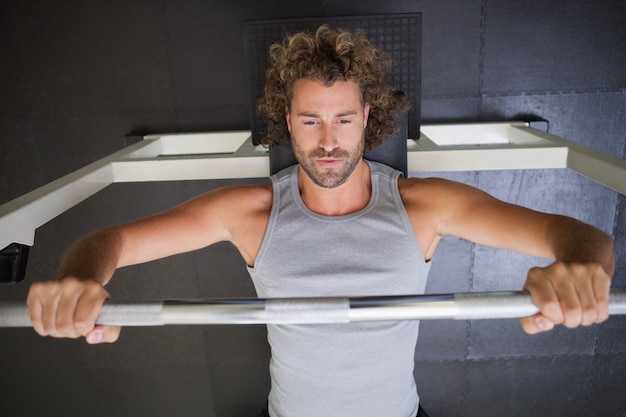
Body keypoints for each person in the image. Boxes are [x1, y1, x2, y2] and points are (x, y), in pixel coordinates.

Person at [27, 25, 614, 417]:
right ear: (287, 119)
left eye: (342, 120)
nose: (328, 143)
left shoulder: (424, 206)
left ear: (366, 116)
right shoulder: (250, 214)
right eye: (310, 121)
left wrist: (583, 269)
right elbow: (113, 241)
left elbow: (577, 236)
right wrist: (84, 277)